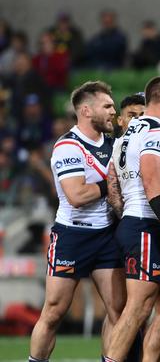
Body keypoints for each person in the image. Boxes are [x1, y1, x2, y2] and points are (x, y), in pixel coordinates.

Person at [29, 81, 125, 361]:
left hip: (107, 236)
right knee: (54, 311)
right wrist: (111, 184)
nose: (113, 111)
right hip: (72, 236)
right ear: (86, 110)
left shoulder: (114, 144)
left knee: (117, 310)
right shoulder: (67, 147)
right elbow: (76, 195)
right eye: (107, 106)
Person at [104, 76, 160, 362]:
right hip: (146, 224)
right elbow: (153, 184)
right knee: (137, 307)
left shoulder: (129, 132)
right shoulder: (158, 134)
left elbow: (116, 183)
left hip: (136, 221)